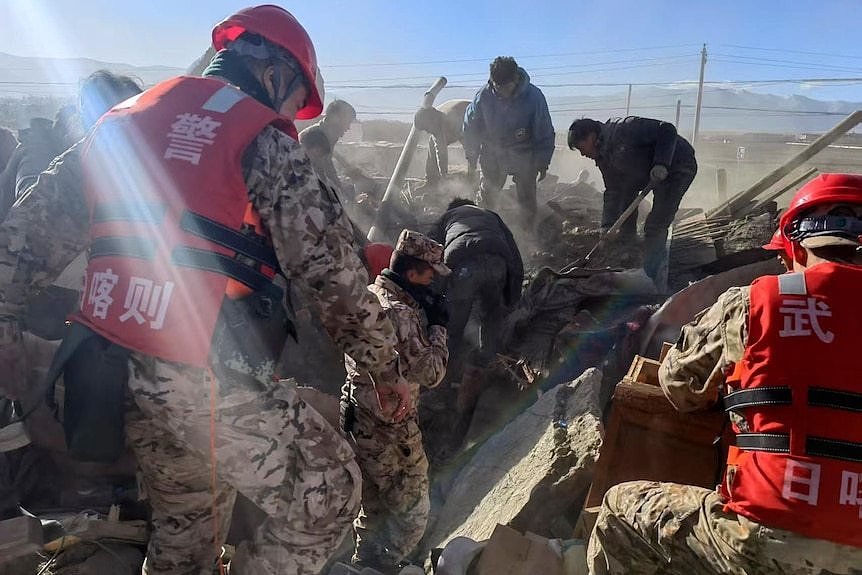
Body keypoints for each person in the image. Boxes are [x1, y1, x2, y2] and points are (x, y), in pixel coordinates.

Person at [0, 6, 413, 574]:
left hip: (109, 365)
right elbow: (332, 280)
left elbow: (23, 241)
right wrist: (384, 370)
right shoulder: (258, 138)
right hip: (203, 371)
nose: (290, 118)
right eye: (295, 103)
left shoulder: (121, 119)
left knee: (188, 528)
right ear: (274, 74)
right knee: (331, 489)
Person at [588, 173, 862, 575]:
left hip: (768, 534)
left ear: (796, 247)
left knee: (617, 509)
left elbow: (678, 385)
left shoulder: (755, 301)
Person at [342, 230, 450, 573]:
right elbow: (431, 373)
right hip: (391, 428)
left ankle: (362, 566)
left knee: (373, 506)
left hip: (359, 417)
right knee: (411, 512)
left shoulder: (370, 295)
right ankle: (382, 567)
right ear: (414, 272)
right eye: (431, 273)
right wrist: (438, 328)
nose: (433, 282)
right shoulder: (401, 313)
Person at [568, 116, 698, 281]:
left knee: (656, 224)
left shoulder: (625, 128)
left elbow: (667, 129)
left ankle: (652, 274)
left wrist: (661, 163)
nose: (582, 154)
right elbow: (613, 191)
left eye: (581, 148)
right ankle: (628, 250)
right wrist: (607, 226)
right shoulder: (602, 157)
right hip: (645, 172)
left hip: (678, 165)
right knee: (625, 201)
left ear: (591, 136)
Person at [433, 198, 523, 383]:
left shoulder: (448, 216)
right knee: (491, 315)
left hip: (464, 266)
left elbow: (430, 249)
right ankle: (486, 365)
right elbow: (514, 254)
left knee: (454, 326)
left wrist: (436, 294)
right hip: (498, 263)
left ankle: (444, 376)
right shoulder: (491, 215)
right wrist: (513, 295)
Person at [463, 56, 555, 228]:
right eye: (497, 87)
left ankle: (528, 233)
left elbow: (544, 131)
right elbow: (470, 128)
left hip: (523, 152)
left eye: (505, 87)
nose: (501, 92)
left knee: (527, 196)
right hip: (492, 153)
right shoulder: (483, 96)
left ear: (515, 80)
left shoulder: (534, 97)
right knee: (487, 195)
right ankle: (484, 229)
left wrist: (542, 162)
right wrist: (471, 155)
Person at [298, 99, 356, 189]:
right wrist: (340, 189)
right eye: (347, 122)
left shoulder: (328, 136)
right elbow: (322, 170)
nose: (348, 128)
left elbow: (329, 164)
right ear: (335, 118)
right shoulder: (315, 137)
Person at [414, 99, 470, 184]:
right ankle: (432, 179)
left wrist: (471, 170)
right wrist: (444, 174)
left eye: (426, 128)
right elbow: (441, 152)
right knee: (432, 142)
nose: (428, 131)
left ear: (431, 121)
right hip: (458, 120)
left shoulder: (453, 120)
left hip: (479, 119)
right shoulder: (436, 120)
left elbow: (470, 145)